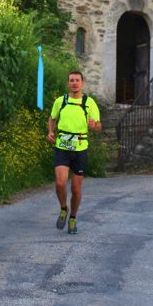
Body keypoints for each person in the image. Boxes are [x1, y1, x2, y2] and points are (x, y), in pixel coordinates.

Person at [47, 70, 101, 235]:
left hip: (80, 148)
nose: (74, 83)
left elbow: (98, 126)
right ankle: (64, 208)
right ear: (68, 83)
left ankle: (73, 218)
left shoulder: (89, 102)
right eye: (71, 80)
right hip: (62, 146)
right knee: (60, 183)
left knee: (76, 189)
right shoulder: (60, 101)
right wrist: (50, 132)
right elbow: (52, 118)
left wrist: (94, 126)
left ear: (82, 83)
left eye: (77, 80)